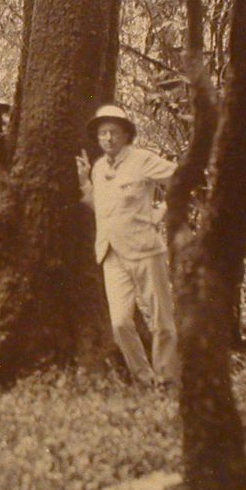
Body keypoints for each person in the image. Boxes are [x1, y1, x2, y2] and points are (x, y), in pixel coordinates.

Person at [76, 104, 180, 387]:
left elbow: (182, 180)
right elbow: (99, 207)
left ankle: (167, 380)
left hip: (145, 250)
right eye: (102, 133)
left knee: (162, 321)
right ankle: (145, 379)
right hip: (111, 253)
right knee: (120, 323)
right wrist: (85, 182)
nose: (107, 139)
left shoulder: (142, 160)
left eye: (113, 132)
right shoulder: (98, 168)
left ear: (126, 135)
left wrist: (160, 213)